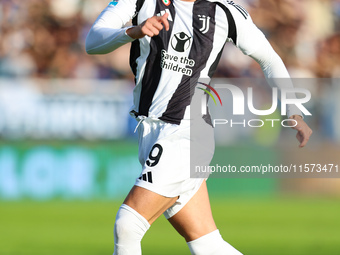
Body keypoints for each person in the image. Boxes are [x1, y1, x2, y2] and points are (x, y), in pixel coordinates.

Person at [86, 0, 313, 254]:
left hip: (187, 131)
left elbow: (269, 59)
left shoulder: (225, 12)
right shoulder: (142, 1)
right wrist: (134, 31)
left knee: (128, 225)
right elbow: (92, 41)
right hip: (150, 130)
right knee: (206, 243)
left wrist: (293, 110)